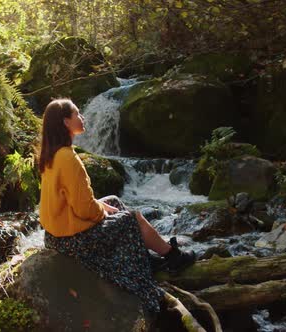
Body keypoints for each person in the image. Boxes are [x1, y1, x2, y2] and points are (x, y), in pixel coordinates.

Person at [38, 98, 196, 313]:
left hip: (56, 236)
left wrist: (102, 206)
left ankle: (147, 257)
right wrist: (101, 210)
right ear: (66, 122)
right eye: (77, 114)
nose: (82, 118)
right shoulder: (68, 158)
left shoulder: (52, 155)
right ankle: (172, 257)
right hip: (72, 241)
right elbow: (84, 209)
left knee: (113, 200)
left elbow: (68, 201)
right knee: (133, 219)